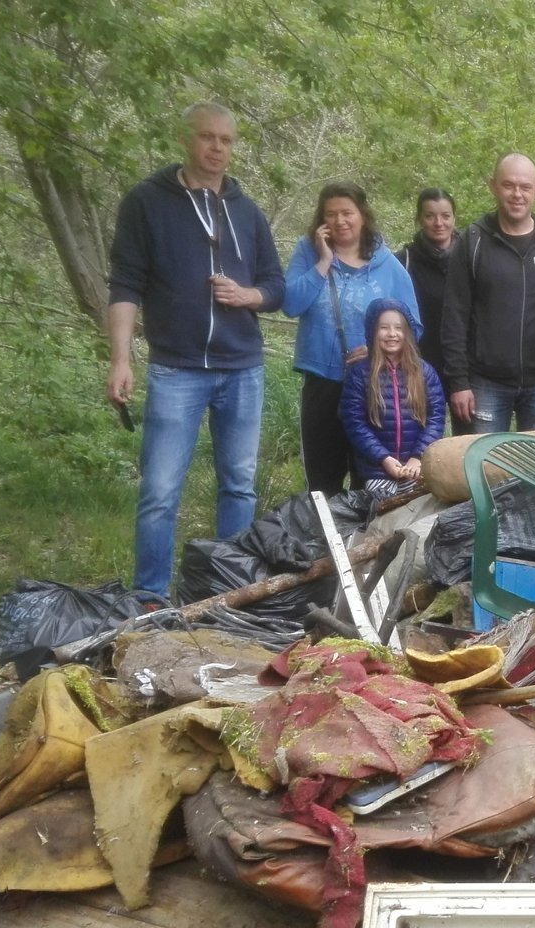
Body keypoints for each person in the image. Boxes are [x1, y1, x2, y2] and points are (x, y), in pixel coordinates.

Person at [106, 102, 284, 599]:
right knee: (160, 491)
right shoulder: (147, 203)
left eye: (226, 141)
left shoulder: (247, 212)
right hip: (176, 369)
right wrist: (121, 359)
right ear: (186, 139)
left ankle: (227, 591)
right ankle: (150, 597)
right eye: (207, 138)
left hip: (242, 367)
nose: (217, 149)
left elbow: (275, 285)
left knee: (239, 485)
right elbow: (124, 285)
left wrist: (247, 296)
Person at [283, 181, 421, 494]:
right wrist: (323, 262)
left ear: (363, 215)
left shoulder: (386, 263)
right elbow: (290, 304)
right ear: (321, 220)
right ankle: (326, 540)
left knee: (371, 476)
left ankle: (369, 541)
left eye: (347, 212)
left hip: (375, 384)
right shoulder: (307, 252)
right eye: (331, 214)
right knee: (322, 479)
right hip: (323, 381)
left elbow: (413, 324)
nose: (340, 220)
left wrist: (377, 351)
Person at [441, 153, 535, 433]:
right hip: (486, 383)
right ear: (493, 186)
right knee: (482, 470)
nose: (517, 194)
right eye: (508, 185)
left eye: (525, 187)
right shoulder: (473, 242)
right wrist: (459, 382)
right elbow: (454, 316)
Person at [341, 299, 445, 499]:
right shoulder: (360, 374)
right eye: (384, 328)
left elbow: (436, 417)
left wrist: (418, 457)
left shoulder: (425, 372)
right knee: (383, 516)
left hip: (416, 468)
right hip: (377, 469)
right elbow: (355, 423)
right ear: (373, 331)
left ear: (408, 333)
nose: (392, 334)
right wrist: (384, 458)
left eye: (398, 328)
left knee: (419, 514)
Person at [397, 189, 457, 381]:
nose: (439, 223)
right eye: (430, 216)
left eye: (445, 216)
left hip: (465, 364)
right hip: (418, 364)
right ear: (419, 219)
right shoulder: (403, 261)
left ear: (454, 218)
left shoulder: (471, 256)